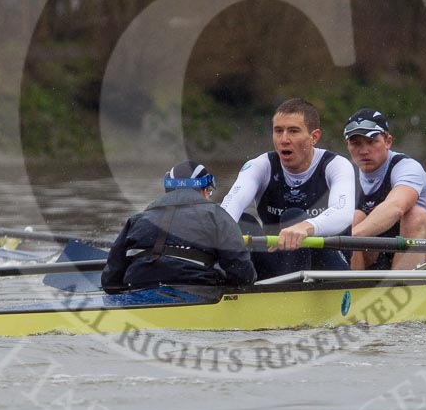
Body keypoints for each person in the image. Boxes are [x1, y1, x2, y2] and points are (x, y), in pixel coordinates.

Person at [218, 98, 357, 277]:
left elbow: (343, 212)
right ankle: (238, 288)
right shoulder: (260, 166)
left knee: (294, 216)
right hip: (279, 263)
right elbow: (232, 205)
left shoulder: (336, 165)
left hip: (327, 265)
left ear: (314, 137)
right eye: (278, 131)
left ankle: (288, 294)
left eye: (293, 131)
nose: (284, 139)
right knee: (240, 223)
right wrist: (215, 228)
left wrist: (306, 226)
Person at [100, 161, 257, 294]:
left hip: (138, 286)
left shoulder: (138, 219)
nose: (208, 196)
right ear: (204, 190)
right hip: (197, 291)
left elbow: (109, 281)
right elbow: (243, 274)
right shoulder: (217, 216)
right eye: (209, 191)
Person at [340, 107, 426, 270]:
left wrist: (347, 237)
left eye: (372, 141)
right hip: (381, 256)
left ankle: (401, 288)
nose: (364, 150)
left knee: (414, 215)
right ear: (347, 145)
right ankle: (351, 291)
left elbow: (395, 207)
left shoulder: (407, 167)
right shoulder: (345, 174)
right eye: (356, 143)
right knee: (354, 217)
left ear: (388, 141)